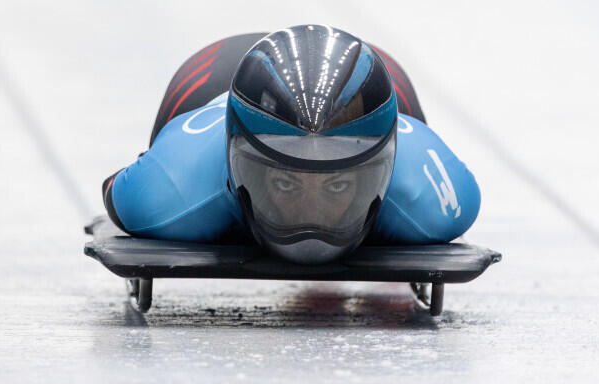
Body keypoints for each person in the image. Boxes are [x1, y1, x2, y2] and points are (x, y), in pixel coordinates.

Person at [102, 25, 480, 264]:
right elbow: (123, 190)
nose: (310, 217)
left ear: (385, 167)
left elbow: (113, 189)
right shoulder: (171, 186)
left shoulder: (430, 195)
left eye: (337, 184)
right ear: (234, 160)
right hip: (211, 78)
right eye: (286, 182)